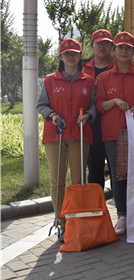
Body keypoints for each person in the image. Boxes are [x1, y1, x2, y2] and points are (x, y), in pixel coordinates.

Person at [36, 39, 96, 242]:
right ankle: (61, 222)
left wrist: (88, 115)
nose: (71, 57)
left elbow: (94, 105)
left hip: (80, 134)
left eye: (74, 53)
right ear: (60, 57)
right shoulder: (50, 80)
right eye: (66, 53)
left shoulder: (89, 80)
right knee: (57, 181)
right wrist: (52, 115)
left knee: (78, 180)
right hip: (56, 134)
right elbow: (41, 105)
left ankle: (76, 222)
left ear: (80, 56)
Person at [95, 31, 134, 236]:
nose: (123, 52)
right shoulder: (104, 77)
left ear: (133, 51)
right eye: (120, 48)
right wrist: (114, 102)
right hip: (112, 133)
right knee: (118, 175)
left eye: (128, 48)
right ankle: (122, 215)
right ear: (114, 50)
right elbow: (100, 105)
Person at [83, 29, 116, 188]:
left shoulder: (119, 65)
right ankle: (96, 201)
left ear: (112, 47)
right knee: (95, 167)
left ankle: (118, 203)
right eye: (98, 43)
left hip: (114, 122)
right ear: (92, 46)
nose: (102, 47)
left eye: (106, 43)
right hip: (91, 123)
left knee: (116, 167)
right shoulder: (83, 67)